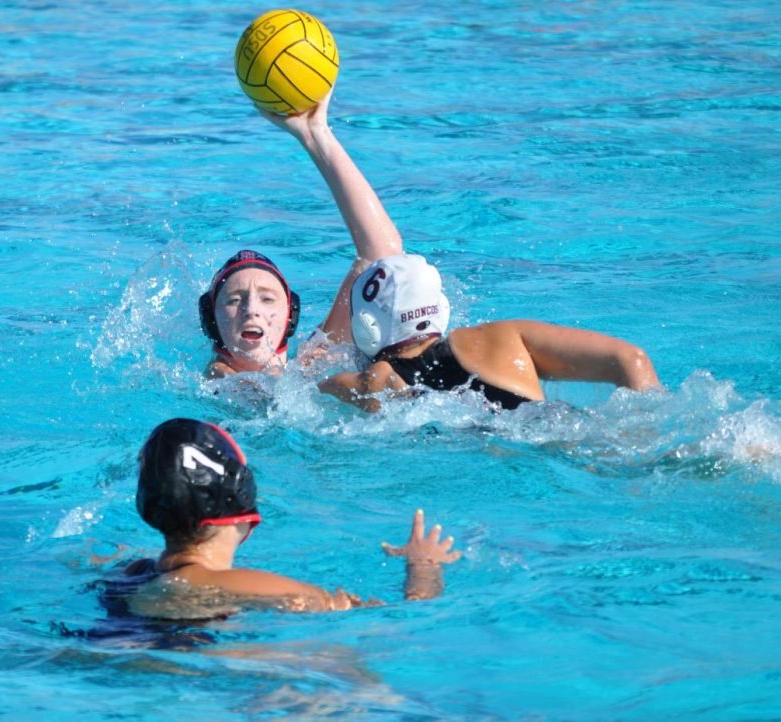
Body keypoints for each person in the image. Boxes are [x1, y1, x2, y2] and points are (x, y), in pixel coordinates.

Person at [123, 418, 461, 617]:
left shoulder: (134, 573)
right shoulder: (232, 583)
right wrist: (424, 568)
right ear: (241, 494)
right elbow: (394, 620)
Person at [201, 90, 403, 378]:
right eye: (234, 300)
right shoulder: (210, 386)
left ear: (290, 318)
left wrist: (315, 134)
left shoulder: (311, 367)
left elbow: (383, 255)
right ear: (211, 320)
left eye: (268, 299)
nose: (251, 310)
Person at [319, 254, 662, 413]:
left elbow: (289, 394)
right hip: (572, 437)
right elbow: (630, 359)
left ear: (367, 328)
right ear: (440, 307)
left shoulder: (373, 382)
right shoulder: (503, 338)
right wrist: (645, 435)